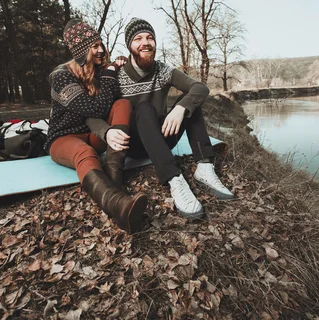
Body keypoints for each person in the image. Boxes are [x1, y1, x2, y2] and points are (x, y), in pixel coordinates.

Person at [87, 18, 235, 219]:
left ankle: (205, 168)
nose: (145, 42)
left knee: (191, 102)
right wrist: (107, 131)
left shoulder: (162, 70)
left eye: (149, 37)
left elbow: (200, 88)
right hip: (134, 144)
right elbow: (93, 115)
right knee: (144, 109)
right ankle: (174, 178)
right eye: (138, 38)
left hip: (163, 138)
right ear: (129, 45)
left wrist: (181, 108)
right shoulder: (117, 75)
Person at [46, 19, 147, 233]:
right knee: (85, 152)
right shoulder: (62, 77)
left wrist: (115, 66)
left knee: (123, 104)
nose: (101, 50)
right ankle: (118, 206)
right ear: (82, 51)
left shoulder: (97, 73)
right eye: (95, 46)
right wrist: (110, 73)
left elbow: (112, 103)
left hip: (92, 132)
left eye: (101, 44)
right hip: (63, 138)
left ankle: (114, 178)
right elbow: (94, 109)